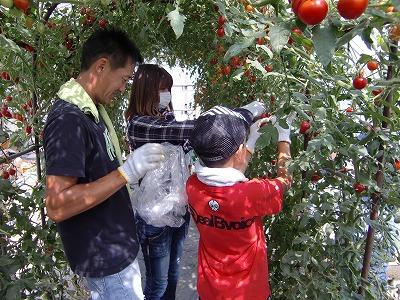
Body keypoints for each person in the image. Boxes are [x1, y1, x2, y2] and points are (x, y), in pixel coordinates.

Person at [125, 64, 266, 300]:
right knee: (157, 284)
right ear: (146, 91)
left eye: (168, 88)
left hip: (178, 208)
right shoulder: (140, 124)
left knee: (172, 277)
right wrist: (243, 114)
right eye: (162, 89)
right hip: (154, 218)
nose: (167, 94)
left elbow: (189, 143)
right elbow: (195, 131)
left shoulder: (165, 117)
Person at [43, 28, 165, 300]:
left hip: (116, 254)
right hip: (108, 264)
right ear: (101, 66)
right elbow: (57, 205)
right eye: (123, 79)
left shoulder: (91, 111)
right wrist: (126, 172)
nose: (123, 88)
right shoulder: (68, 120)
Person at [186, 107, 294, 300]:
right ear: (238, 152)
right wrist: (284, 138)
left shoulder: (193, 186)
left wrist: (250, 141)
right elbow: (285, 181)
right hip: (250, 292)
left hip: (210, 291)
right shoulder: (254, 194)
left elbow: (227, 173)